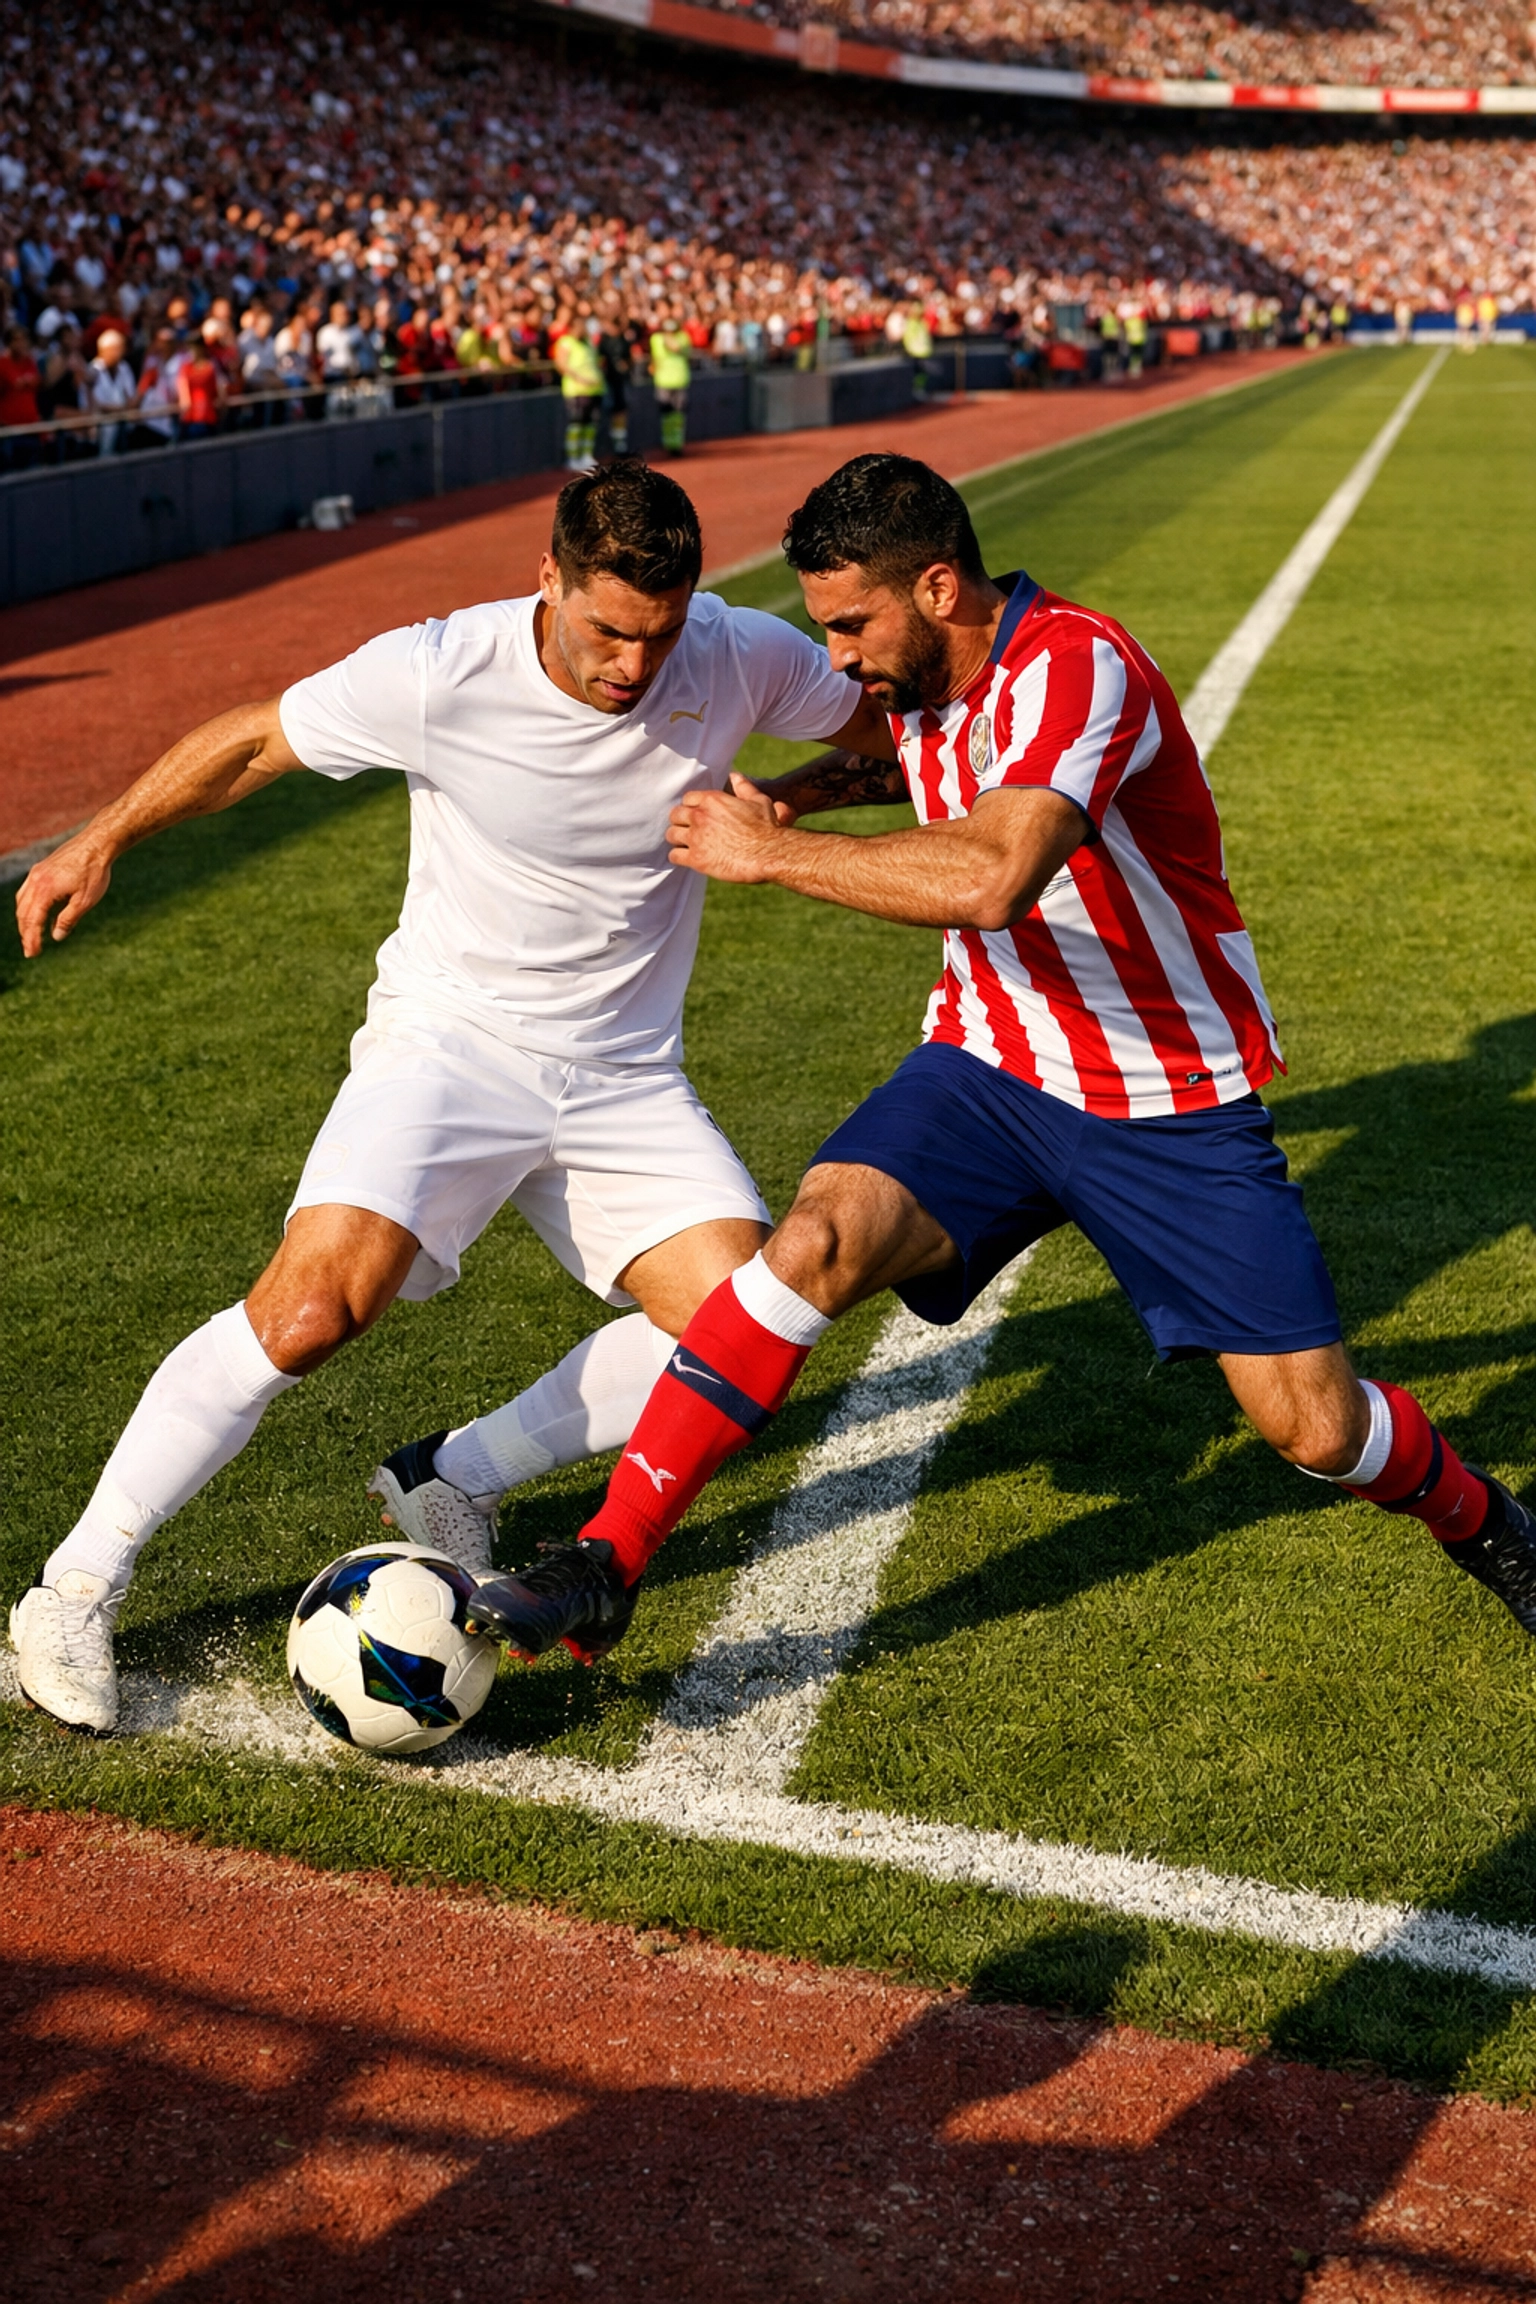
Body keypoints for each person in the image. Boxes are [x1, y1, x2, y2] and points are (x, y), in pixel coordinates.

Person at [464, 452, 1536, 1667]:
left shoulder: (1079, 667)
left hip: (1162, 1094)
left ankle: (1488, 1522)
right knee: (813, 1241)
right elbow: (911, 756)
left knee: (1315, 1428)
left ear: (934, 588)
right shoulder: (923, 667)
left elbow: (988, 876)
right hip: (993, 1061)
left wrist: (766, 856)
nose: (838, 659)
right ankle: (607, 1560)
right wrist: (807, 795)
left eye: (851, 624)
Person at [7, 458, 895, 1734]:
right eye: (606, 632)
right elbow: (254, 741)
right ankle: (73, 1588)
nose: (634, 668)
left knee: (739, 1332)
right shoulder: (439, 671)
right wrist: (99, 836)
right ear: (548, 579)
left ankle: (450, 1475)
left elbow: (891, 735)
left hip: (624, 1076)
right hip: (452, 1045)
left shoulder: (736, 651)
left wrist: (799, 799)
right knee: (312, 1310)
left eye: (659, 635)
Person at [553, 313, 604, 471]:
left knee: (591, 424)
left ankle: (586, 455)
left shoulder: (588, 343)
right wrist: (580, 379)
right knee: (577, 424)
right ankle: (573, 458)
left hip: (595, 389)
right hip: (576, 390)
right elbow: (561, 364)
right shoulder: (566, 342)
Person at [649, 307, 692, 457]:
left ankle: (677, 444)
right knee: (666, 413)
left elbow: (677, 348)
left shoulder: (683, 337)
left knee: (678, 414)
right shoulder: (656, 338)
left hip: (680, 379)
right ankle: (668, 443)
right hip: (663, 380)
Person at [86, 328, 137, 456]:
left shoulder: (124, 367)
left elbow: (130, 396)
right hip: (101, 422)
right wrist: (122, 409)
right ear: (104, 350)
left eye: (121, 348)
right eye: (116, 349)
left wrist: (126, 409)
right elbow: (97, 403)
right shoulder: (93, 370)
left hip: (124, 421)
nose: (120, 352)